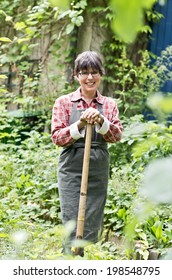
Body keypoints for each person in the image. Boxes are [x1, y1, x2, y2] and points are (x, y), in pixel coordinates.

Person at [51, 51, 123, 256]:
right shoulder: (63, 102)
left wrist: (101, 121)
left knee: (92, 215)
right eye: (84, 72)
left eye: (94, 72)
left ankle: (83, 258)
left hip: (98, 163)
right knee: (72, 214)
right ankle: (70, 259)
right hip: (72, 163)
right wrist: (80, 123)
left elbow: (116, 136)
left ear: (101, 74)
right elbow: (57, 137)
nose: (89, 77)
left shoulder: (109, 105)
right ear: (76, 75)